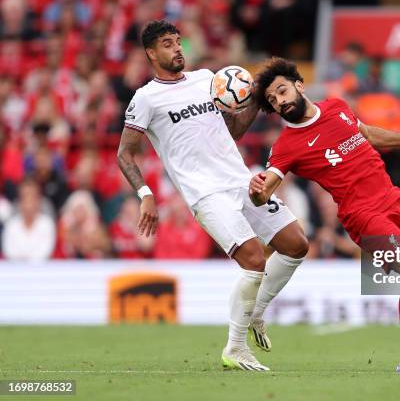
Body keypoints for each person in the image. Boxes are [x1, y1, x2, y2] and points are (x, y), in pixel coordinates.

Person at [249, 57, 400, 373]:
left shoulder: (337, 107)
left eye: (282, 91)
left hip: (395, 199)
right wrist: (258, 190)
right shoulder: (287, 144)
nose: (280, 101)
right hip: (363, 216)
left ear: (300, 85)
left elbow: (367, 133)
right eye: (273, 100)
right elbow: (266, 187)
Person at [116, 21, 309, 371]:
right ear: (151, 53)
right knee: (254, 261)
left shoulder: (206, 78)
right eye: (167, 44)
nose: (177, 49)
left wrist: (254, 99)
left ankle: (256, 311)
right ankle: (235, 348)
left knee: (296, 244)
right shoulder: (146, 98)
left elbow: (231, 129)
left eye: (178, 42)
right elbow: (124, 153)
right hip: (205, 194)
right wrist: (145, 194)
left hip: (240, 181)